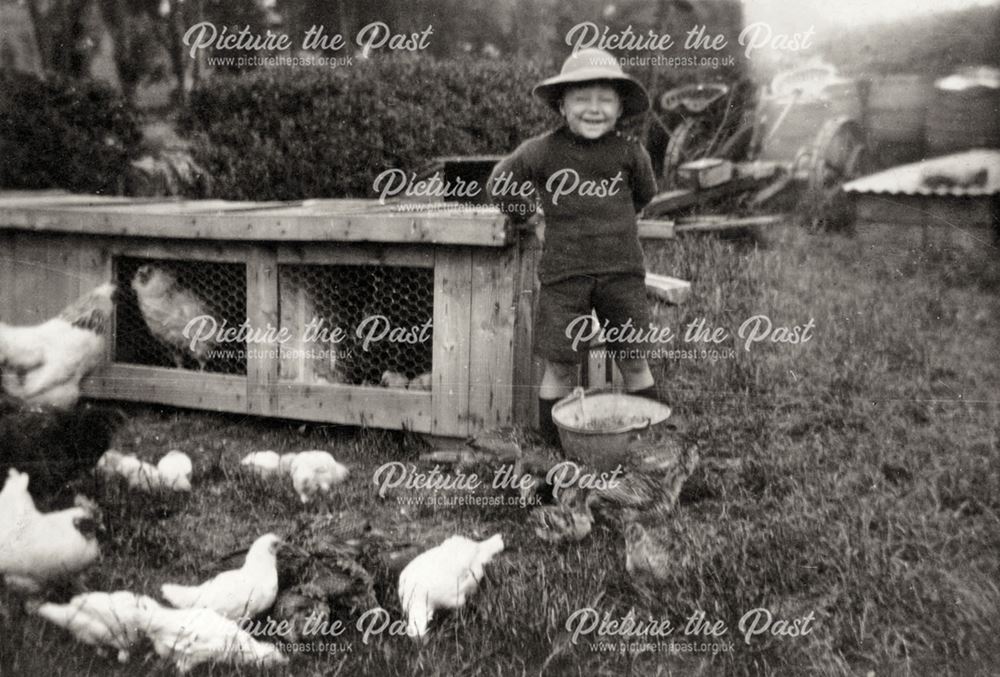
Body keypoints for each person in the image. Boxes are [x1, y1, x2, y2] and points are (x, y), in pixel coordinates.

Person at [488, 47, 663, 444]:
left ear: (620, 108)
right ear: (562, 106)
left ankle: (649, 452)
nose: (593, 109)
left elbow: (643, 195)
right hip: (564, 277)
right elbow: (500, 183)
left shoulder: (630, 152)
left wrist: (610, 222)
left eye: (604, 99)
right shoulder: (542, 150)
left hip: (622, 275)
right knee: (561, 367)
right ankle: (551, 455)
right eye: (582, 99)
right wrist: (530, 216)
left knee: (634, 359)